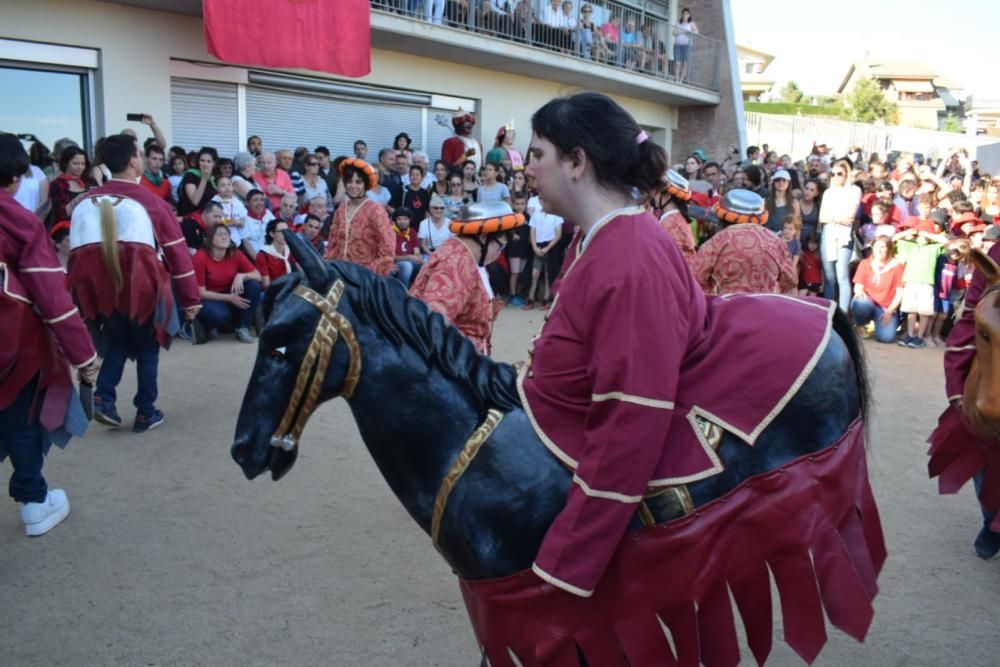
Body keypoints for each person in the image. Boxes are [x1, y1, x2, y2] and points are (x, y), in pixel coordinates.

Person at [500, 92, 858, 612]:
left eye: (537, 154)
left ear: (577, 162)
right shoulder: (598, 238)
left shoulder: (629, 258)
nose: (528, 168)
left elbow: (631, 418)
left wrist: (568, 561)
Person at [67, 134, 201, 432]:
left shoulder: (85, 201)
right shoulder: (152, 203)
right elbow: (178, 255)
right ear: (133, 161)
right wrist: (191, 300)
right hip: (143, 289)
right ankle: (145, 410)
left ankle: (104, 398)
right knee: (147, 346)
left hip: (101, 293)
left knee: (118, 340)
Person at [0, 133, 99, 536]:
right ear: (15, 177)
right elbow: (51, 296)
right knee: (21, 419)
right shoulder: (18, 220)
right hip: (11, 345)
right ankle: (34, 502)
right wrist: (84, 355)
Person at [409, 200, 523, 355]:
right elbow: (432, 323)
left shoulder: (468, 256)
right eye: (500, 246)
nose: (499, 253)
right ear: (483, 237)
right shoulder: (456, 263)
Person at [691, 190, 797, 295]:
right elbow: (790, 282)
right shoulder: (776, 242)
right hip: (766, 308)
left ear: (721, 217)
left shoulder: (715, 242)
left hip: (726, 308)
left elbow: (695, 281)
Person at [191, 223, 263, 344]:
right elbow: (200, 292)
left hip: (230, 292)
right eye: (219, 234)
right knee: (220, 315)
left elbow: (258, 276)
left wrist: (242, 275)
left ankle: (242, 327)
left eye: (226, 235)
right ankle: (206, 325)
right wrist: (230, 298)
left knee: (253, 286)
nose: (224, 237)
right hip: (208, 297)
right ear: (210, 239)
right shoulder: (200, 257)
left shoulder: (235, 253)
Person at [324, 158, 395, 276]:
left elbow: (387, 250)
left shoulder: (375, 210)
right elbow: (333, 244)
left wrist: (367, 274)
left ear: (365, 185)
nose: (353, 185)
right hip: (340, 274)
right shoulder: (341, 209)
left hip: (365, 278)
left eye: (358, 182)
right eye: (349, 181)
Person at [818, 159, 861, 312]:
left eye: (839, 174)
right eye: (833, 174)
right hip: (828, 233)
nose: (836, 177)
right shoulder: (828, 192)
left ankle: (843, 314)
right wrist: (837, 218)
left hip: (844, 235)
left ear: (846, 174)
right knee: (829, 277)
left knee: (842, 275)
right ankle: (827, 312)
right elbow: (822, 217)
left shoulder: (854, 190)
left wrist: (833, 216)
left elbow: (850, 216)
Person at [850, 236, 904, 343]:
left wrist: (889, 312)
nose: (879, 250)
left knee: (886, 338)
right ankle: (862, 325)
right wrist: (859, 292)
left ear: (889, 249)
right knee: (860, 302)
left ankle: (877, 325)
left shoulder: (897, 266)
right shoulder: (865, 263)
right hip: (868, 303)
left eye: (883, 247)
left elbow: (899, 293)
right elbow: (858, 286)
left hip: (886, 307)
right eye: (876, 247)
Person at [524, 191, 563, 309]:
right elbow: (532, 231)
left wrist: (547, 248)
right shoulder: (536, 215)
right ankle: (530, 298)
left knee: (547, 274)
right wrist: (535, 247)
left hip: (550, 247)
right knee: (534, 273)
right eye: (542, 200)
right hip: (538, 246)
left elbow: (558, 234)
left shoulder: (557, 215)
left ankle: (546, 299)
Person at [653, 170, 697, 264]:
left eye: (657, 191)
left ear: (667, 195)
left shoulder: (671, 223)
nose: (653, 194)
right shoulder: (675, 218)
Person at [48, 146, 91, 226]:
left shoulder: (90, 182)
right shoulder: (57, 184)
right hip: (67, 227)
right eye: (76, 163)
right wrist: (77, 199)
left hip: (89, 224)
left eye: (83, 163)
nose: (80, 167)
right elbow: (59, 215)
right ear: (66, 163)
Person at [505, 192, 532, 306]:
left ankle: (519, 294)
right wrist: (512, 234)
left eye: (522, 204)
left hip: (525, 248)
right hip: (514, 249)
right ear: (513, 204)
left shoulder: (528, 217)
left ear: (526, 204)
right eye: (517, 204)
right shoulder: (511, 217)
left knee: (521, 273)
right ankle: (512, 295)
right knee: (515, 273)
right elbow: (506, 230)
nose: (520, 206)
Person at [255, 219, 296, 289]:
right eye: (281, 232)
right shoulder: (263, 255)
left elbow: (301, 268)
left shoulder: (290, 249)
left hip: (289, 287)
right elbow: (266, 285)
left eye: (287, 231)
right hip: (273, 291)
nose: (285, 234)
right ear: (272, 234)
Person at [177, 146, 218, 216]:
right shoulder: (190, 175)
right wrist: (204, 178)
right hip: (191, 218)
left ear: (214, 164)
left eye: (209, 161)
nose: (205, 164)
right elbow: (195, 201)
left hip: (208, 218)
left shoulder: (213, 180)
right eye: (202, 161)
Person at [390, 207, 422, 287]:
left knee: (427, 261)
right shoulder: (390, 232)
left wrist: (418, 257)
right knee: (406, 265)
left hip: (411, 261)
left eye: (405, 219)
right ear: (395, 220)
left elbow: (416, 250)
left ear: (409, 220)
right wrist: (408, 257)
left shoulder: (412, 231)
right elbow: (390, 256)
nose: (402, 222)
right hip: (396, 263)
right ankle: (402, 292)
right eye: (399, 219)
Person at [241, 189, 275, 261]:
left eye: (261, 200)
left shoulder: (268, 213)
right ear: (247, 203)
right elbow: (246, 244)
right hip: (257, 258)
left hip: (275, 255)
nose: (259, 203)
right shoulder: (244, 218)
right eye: (255, 200)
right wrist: (259, 262)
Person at [764, 169, 799, 235]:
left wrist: (797, 243)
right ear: (774, 182)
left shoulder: (794, 203)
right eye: (778, 180)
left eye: (784, 180)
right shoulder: (766, 201)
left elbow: (797, 225)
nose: (781, 182)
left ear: (789, 183)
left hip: (787, 239)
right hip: (769, 238)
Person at [418, 194, 453, 260]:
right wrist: (432, 254)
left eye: (442, 208)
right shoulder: (423, 224)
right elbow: (423, 244)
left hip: (447, 254)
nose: (439, 210)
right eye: (436, 208)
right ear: (430, 209)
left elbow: (453, 242)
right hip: (429, 254)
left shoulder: (450, 223)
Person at [672, 7, 698, 82]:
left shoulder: (691, 23)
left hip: (687, 46)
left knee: (685, 63)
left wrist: (690, 32)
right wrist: (683, 32)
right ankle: (676, 79)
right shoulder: (678, 23)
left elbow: (697, 32)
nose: (684, 15)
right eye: (683, 14)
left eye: (686, 14)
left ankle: (681, 80)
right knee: (677, 63)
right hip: (677, 45)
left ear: (689, 15)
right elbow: (673, 33)